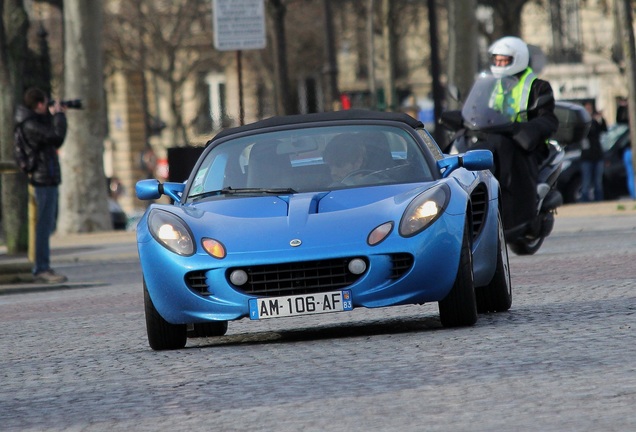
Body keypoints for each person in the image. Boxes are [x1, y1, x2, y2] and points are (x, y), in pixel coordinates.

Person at [483, 36, 559, 233]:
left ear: (517, 59)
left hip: (527, 143)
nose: (498, 64)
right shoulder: (491, 86)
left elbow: (548, 117)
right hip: (495, 140)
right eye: (496, 60)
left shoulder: (537, 86)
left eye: (503, 61)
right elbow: (479, 110)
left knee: (512, 163)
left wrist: (530, 129)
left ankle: (520, 220)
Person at [14, 87, 68, 283]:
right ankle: (41, 268)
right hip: (41, 179)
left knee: (46, 224)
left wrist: (55, 115)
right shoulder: (30, 124)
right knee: (43, 226)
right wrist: (59, 116)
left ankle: (42, 266)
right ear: (39, 104)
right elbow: (56, 138)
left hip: (48, 178)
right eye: (46, 103)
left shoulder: (33, 121)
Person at [579, 102, 608, 202]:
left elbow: (604, 130)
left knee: (598, 182)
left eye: (590, 108)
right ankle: (585, 201)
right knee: (586, 182)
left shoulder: (595, 122)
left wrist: (600, 119)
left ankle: (599, 200)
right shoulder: (582, 122)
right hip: (586, 157)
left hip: (597, 155)